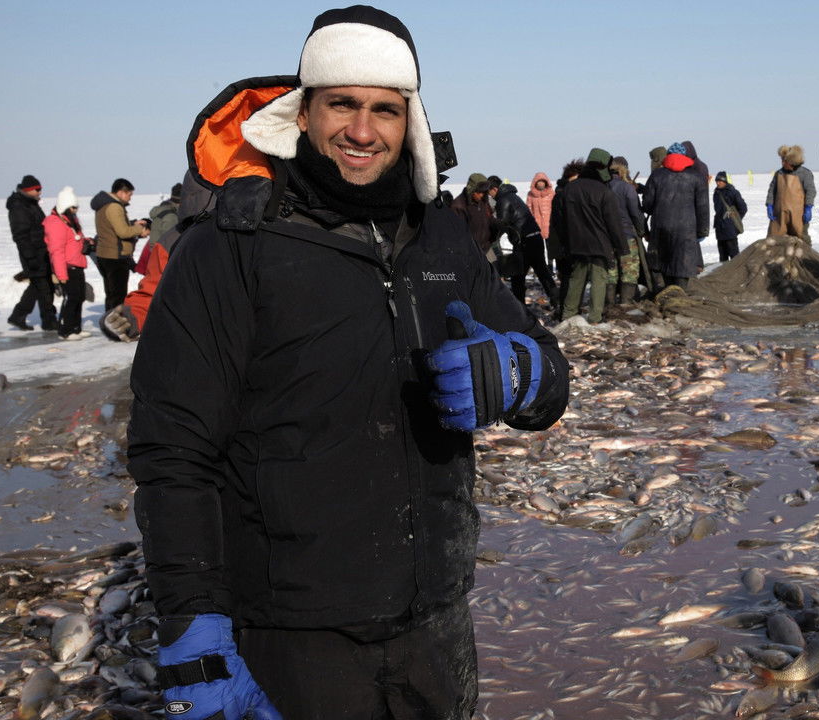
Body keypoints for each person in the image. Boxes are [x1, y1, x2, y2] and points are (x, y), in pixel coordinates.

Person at [126, 6, 570, 719]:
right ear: (303, 113)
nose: (363, 130)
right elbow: (172, 452)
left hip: (436, 624)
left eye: (384, 110)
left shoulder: (440, 240)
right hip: (294, 638)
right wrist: (193, 629)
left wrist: (517, 371)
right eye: (342, 104)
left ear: (410, 121)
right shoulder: (230, 247)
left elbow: (551, 374)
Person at [102, 172, 215, 342]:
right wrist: (131, 316)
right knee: (114, 289)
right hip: (200, 344)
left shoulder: (263, 236)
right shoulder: (175, 239)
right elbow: (153, 293)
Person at [555, 148, 625, 323]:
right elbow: (613, 223)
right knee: (598, 282)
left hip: (576, 244)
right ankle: (594, 318)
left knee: (576, 281)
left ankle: (567, 317)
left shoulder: (569, 189)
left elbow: (561, 221)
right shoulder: (604, 192)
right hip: (600, 245)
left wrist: (565, 244)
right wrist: (621, 247)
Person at [643, 142, 708, 288]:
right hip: (686, 229)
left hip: (661, 228)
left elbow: (647, 205)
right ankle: (680, 297)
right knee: (682, 266)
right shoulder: (696, 177)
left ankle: (667, 295)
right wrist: (702, 231)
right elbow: (703, 207)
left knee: (664, 265)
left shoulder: (657, 176)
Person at [489, 176, 555, 306]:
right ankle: (557, 302)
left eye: (489, 192)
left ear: (494, 189)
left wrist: (491, 238)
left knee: (517, 276)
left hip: (524, 242)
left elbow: (502, 223)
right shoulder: (512, 196)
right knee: (542, 273)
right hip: (535, 237)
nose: (489, 196)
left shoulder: (503, 200)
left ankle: (520, 308)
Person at [7, 174, 58, 331]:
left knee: (39, 286)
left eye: (40, 189)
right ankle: (48, 321)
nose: (39, 192)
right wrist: (30, 256)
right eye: (36, 189)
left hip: (41, 252)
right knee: (42, 287)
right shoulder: (19, 206)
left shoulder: (30, 204)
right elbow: (21, 235)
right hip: (33, 254)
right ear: (28, 190)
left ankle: (19, 315)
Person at [91, 178, 150, 311]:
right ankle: (115, 325)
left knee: (111, 294)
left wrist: (133, 224)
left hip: (106, 254)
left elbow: (113, 229)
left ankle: (110, 322)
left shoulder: (105, 205)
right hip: (115, 257)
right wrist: (139, 229)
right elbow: (123, 232)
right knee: (118, 295)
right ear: (122, 192)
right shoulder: (114, 207)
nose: (130, 198)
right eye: (129, 195)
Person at [43, 187, 90, 340]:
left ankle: (76, 328)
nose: (75, 210)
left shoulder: (70, 221)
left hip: (78, 265)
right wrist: (61, 274)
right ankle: (65, 329)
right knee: (71, 298)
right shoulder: (56, 223)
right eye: (73, 207)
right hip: (67, 267)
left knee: (79, 297)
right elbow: (56, 251)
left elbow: (75, 240)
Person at [607, 156, 646, 308]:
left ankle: (608, 304)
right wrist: (641, 230)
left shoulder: (602, 186)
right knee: (629, 270)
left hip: (607, 237)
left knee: (611, 271)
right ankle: (626, 303)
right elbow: (635, 212)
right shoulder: (626, 188)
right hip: (627, 235)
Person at [549, 159, 584, 319]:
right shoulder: (563, 195)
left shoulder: (565, 193)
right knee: (568, 278)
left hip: (565, 243)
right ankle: (565, 309)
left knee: (569, 278)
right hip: (564, 245)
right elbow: (563, 224)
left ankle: (566, 309)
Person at [766, 145, 815, 241]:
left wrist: (808, 207)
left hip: (798, 215)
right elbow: (772, 190)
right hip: (779, 215)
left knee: (801, 239)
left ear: (792, 162)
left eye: (784, 160)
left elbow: (810, 191)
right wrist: (769, 205)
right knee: (775, 240)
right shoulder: (779, 173)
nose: (782, 163)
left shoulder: (805, 174)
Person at [450, 172, 496, 260]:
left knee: (495, 272)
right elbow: (459, 235)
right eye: (479, 192)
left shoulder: (483, 203)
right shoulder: (459, 206)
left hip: (486, 249)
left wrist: (501, 225)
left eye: (483, 192)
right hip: (470, 253)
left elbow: (489, 219)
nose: (481, 195)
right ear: (471, 189)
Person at [138, 183, 182, 275]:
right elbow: (171, 243)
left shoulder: (161, 212)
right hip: (163, 259)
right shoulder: (171, 217)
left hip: (155, 255)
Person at [525, 171, 555, 290]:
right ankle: (543, 268)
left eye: (542, 182)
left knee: (550, 248)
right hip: (536, 227)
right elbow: (528, 209)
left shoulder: (551, 194)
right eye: (539, 182)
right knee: (539, 249)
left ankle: (551, 267)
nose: (541, 184)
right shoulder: (531, 195)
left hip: (549, 225)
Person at [712, 171, 747, 262]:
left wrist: (735, 217)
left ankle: (737, 274)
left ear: (725, 181)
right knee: (722, 257)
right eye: (717, 181)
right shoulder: (716, 193)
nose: (718, 183)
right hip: (719, 228)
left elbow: (743, 208)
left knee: (734, 257)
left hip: (730, 229)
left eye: (720, 181)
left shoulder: (733, 192)